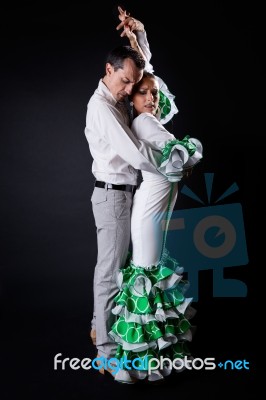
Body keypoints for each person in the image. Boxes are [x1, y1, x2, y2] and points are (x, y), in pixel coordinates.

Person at [106, 9, 203, 384]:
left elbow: (148, 71)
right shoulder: (145, 123)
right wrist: (186, 159)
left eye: (155, 93)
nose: (151, 98)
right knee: (146, 278)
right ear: (131, 96)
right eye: (143, 92)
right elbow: (181, 155)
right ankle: (139, 362)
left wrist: (139, 37)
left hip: (156, 211)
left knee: (154, 277)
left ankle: (157, 351)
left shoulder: (153, 118)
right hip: (147, 214)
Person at [84, 12, 171, 384]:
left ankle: (97, 327)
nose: (129, 90)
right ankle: (105, 354)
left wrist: (141, 35)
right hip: (112, 198)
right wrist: (172, 165)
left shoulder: (120, 89)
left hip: (122, 196)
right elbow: (135, 154)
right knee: (109, 274)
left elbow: (144, 71)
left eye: (131, 83)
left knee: (116, 271)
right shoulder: (102, 107)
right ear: (108, 70)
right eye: (124, 82)